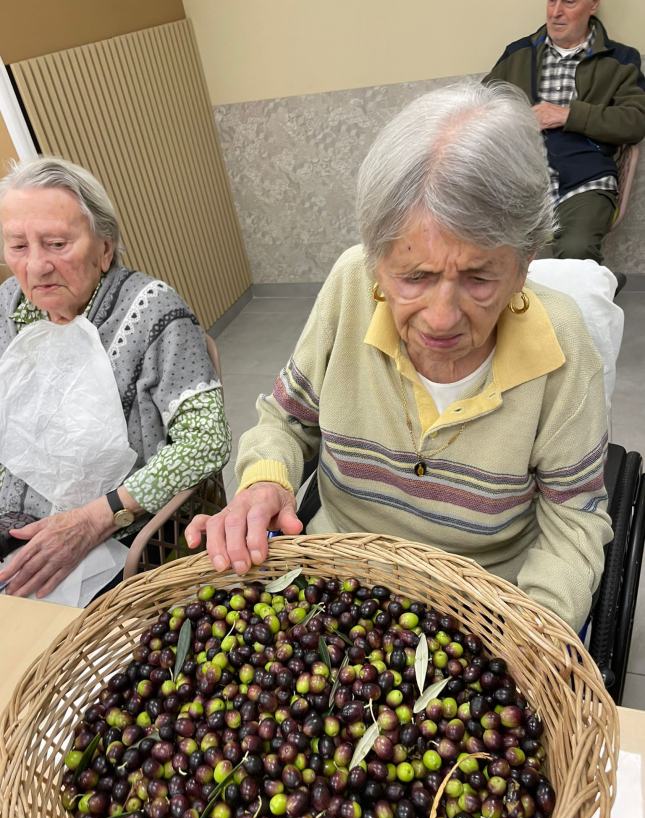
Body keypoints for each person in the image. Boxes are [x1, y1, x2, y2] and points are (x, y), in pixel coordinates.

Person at [187, 81, 614, 634]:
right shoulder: (350, 284)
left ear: (525, 261)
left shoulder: (560, 342)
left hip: (480, 607)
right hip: (336, 581)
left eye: (480, 278)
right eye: (414, 277)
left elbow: (573, 521)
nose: (441, 318)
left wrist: (531, 631)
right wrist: (265, 480)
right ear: (376, 257)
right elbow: (289, 421)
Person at [0, 156, 231, 602]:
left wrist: (96, 518)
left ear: (104, 248)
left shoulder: (152, 311)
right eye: (17, 246)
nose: (36, 266)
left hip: (118, 537)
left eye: (56, 243)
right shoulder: (8, 306)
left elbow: (206, 440)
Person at [484, 0, 645, 265]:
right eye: (551, 1)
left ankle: (586, 293)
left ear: (592, 5)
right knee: (486, 249)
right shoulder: (517, 54)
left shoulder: (621, 59)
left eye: (569, 2)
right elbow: (482, 107)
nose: (555, 12)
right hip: (521, 180)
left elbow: (635, 121)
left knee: (577, 250)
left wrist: (568, 115)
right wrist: (520, 120)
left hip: (586, 179)